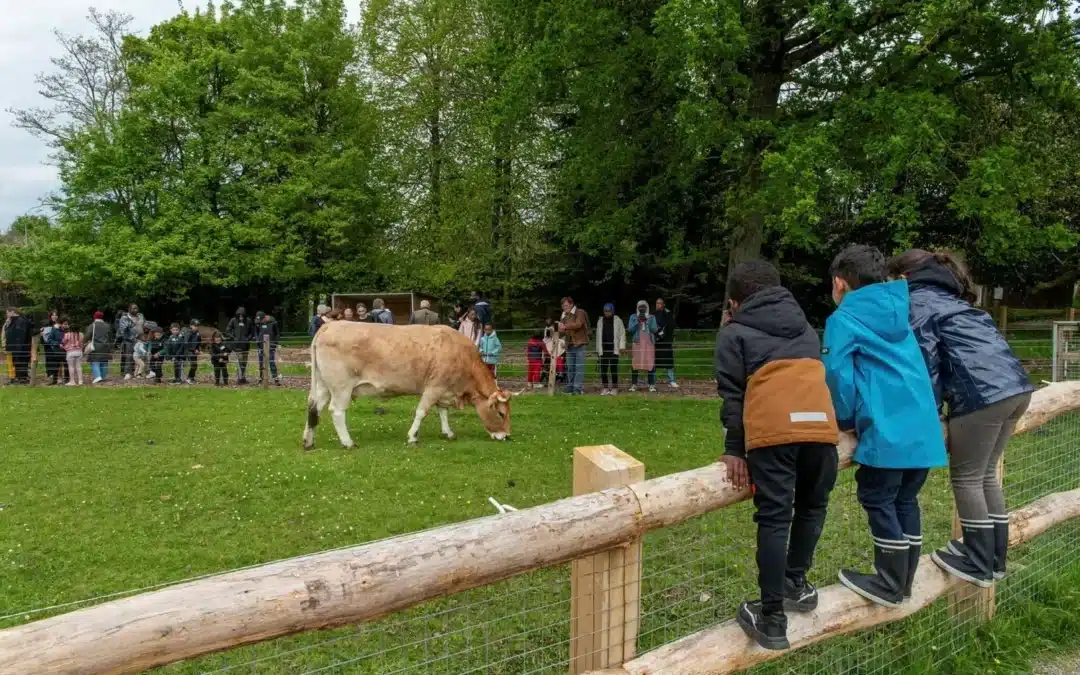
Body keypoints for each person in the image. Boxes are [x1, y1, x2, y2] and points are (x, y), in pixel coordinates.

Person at [888, 249, 1034, 586]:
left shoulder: (917, 302)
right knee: (985, 476)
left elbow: (926, 362)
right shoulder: (954, 301)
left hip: (981, 395)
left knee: (967, 478)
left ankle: (977, 561)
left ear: (902, 277)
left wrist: (931, 411)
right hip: (1016, 389)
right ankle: (994, 560)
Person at [715, 260, 841, 650]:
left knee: (773, 517)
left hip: (774, 434)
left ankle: (771, 619)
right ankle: (795, 584)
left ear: (735, 303)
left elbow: (733, 396)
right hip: (821, 428)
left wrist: (735, 449)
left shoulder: (734, 333)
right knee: (812, 507)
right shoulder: (805, 327)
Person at [824, 244, 947, 608]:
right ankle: (904, 579)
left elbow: (836, 375)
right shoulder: (902, 311)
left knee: (877, 496)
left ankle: (890, 583)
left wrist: (845, 420)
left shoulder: (843, 321)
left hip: (887, 430)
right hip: (922, 428)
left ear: (839, 283)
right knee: (906, 499)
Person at [558, 297, 589, 395]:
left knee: (579, 367)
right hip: (569, 344)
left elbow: (578, 324)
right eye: (563, 306)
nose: (564, 307)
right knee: (570, 367)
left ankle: (577, 388)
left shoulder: (580, 312)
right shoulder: (564, 316)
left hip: (580, 343)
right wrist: (557, 330)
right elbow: (562, 332)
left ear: (572, 304)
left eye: (566, 305)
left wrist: (565, 326)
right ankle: (570, 386)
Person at [595, 303, 626, 395]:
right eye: (605, 311)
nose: (607, 313)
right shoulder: (600, 321)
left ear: (612, 311)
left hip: (614, 349)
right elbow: (598, 335)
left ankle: (615, 388)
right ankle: (605, 387)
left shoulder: (618, 320)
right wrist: (598, 349)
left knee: (613, 369)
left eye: (609, 311)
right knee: (603, 370)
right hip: (603, 348)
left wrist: (622, 347)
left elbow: (622, 334)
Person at [627, 301, 658, 392]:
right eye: (640, 307)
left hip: (648, 342)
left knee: (650, 362)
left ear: (647, 307)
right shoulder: (633, 317)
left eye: (644, 307)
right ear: (637, 307)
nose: (642, 309)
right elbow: (630, 330)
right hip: (637, 341)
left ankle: (651, 384)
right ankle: (634, 384)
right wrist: (637, 321)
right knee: (635, 363)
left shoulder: (652, 317)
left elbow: (654, 329)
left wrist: (647, 321)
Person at [226, 307, 255, 385]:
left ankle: (243, 377)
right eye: (239, 315)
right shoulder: (233, 320)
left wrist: (248, 338)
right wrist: (233, 337)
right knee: (239, 361)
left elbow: (252, 332)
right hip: (237, 345)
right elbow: (228, 330)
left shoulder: (248, 321)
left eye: (242, 315)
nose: (241, 317)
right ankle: (240, 377)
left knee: (244, 362)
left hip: (245, 345)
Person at [654, 298, 679, 389]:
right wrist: (657, 334)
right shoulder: (654, 314)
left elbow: (671, 325)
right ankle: (652, 381)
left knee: (668, 361)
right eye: (657, 303)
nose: (658, 305)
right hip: (656, 342)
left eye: (660, 303)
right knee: (654, 361)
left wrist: (664, 333)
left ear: (663, 304)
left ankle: (671, 380)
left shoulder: (668, 313)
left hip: (666, 341)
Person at [115, 304, 144, 380]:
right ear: (129, 309)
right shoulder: (124, 318)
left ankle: (138, 373)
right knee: (128, 357)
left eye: (137, 308)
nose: (136, 310)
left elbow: (144, 325)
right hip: (128, 340)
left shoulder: (140, 316)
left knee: (139, 357)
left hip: (140, 340)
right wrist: (131, 324)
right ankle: (127, 373)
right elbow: (122, 329)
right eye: (134, 308)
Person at [84, 311, 112, 384]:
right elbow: (110, 336)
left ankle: (97, 376)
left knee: (95, 361)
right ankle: (102, 376)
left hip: (95, 346)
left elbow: (88, 335)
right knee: (104, 361)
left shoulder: (92, 325)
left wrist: (84, 341)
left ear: (94, 317)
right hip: (105, 346)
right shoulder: (107, 326)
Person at [42, 310, 65, 385]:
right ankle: (52, 377)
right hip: (49, 346)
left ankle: (60, 377)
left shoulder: (60, 324)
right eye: (53, 315)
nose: (54, 316)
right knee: (51, 362)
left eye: (56, 315)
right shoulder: (46, 324)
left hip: (57, 345)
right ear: (50, 316)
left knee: (59, 362)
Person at [258, 313, 281, 385]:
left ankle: (275, 379)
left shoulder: (273, 323)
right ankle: (261, 378)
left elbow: (277, 333)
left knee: (271, 362)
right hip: (261, 345)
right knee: (261, 363)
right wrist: (258, 340)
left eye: (262, 320)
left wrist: (275, 343)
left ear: (265, 318)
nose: (261, 321)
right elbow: (257, 332)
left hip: (271, 345)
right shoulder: (259, 323)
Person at [60, 317, 84, 386]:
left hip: (70, 352)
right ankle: (80, 381)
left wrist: (63, 346)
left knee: (71, 367)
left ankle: (72, 381)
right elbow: (82, 343)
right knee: (79, 366)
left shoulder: (67, 334)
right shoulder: (81, 334)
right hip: (79, 351)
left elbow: (63, 342)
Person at [184, 319, 202, 384]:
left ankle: (192, 378)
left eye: (197, 326)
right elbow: (186, 344)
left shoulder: (197, 333)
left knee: (195, 365)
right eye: (195, 325)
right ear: (191, 325)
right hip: (188, 351)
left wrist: (198, 350)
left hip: (194, 351)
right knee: (193, 364)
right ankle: (189, 378)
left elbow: (199, 342)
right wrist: (194, 350)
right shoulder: (188, 333)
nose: (196, 327)